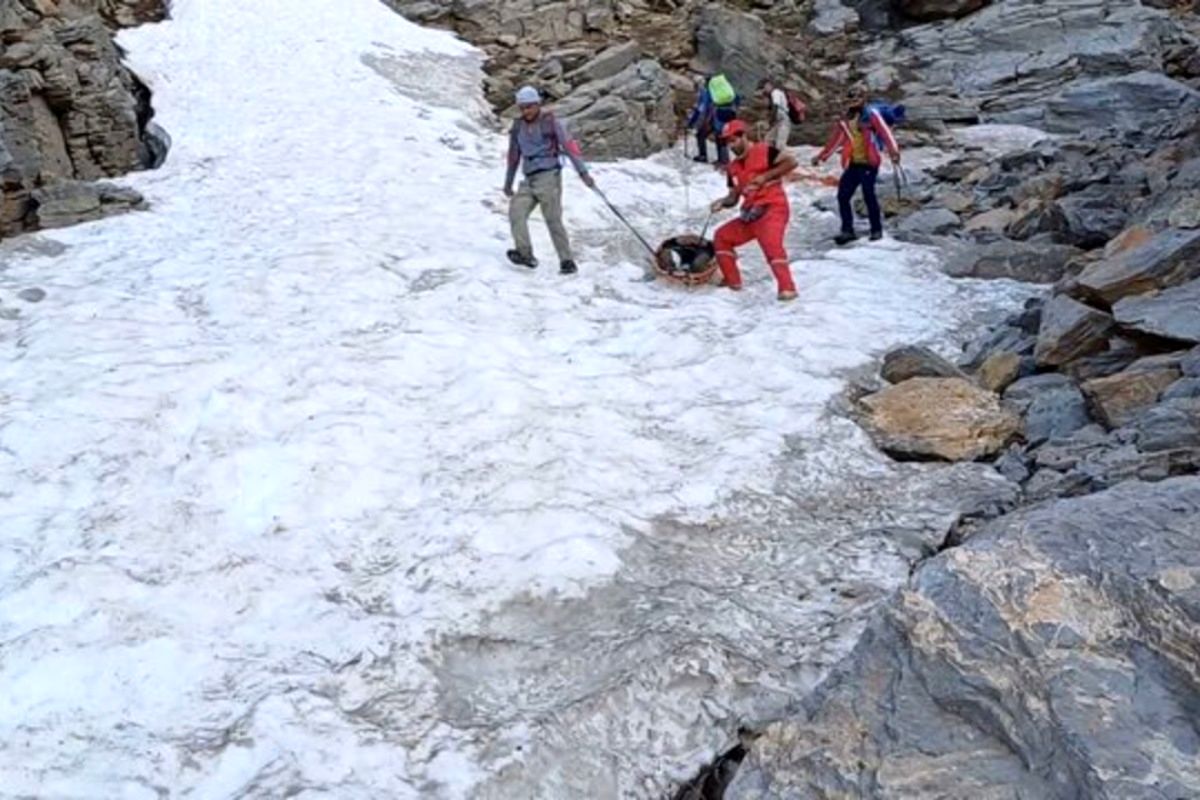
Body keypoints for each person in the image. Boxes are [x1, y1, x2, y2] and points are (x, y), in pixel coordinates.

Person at [504, 85, 594, 274]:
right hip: (528, 178)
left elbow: (569, 146)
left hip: (549, 176)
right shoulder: (518, 126)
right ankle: (525, 254)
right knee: (516, 213)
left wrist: (583, 173)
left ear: (537, 104)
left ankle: (566, 261)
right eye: (522, 108)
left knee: (552, 219)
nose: (525, 111)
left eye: (529, 107)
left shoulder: (551, 122)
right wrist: (508, 182)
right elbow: (513, 155)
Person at [708, 120, 799, 301]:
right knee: (721, 237)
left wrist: (764, 177)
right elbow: (733, 197)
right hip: (750, 214)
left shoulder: (765, 150)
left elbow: (791, 162)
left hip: (773, 207)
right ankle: (732, 281)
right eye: (727, 143)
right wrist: (722, 202)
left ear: (743, 136)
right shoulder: (732, 168)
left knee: (771, 244)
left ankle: (787, 288)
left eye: (733, 141)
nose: (731, 146)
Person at [811, 86, 900, 245]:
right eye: (850, 100)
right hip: (852, 163)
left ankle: (876, 229)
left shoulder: (871, 115)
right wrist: (821, 157)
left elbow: (885, 133)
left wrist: (894, 152)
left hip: (868, 163)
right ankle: (847, 230)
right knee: (843, 196)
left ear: (863, 100)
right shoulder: (845, 120)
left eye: (856, 100)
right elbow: (836, 140)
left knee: (868, 194)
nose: (853, 103)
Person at [686, 74, 740, 166]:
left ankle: (712, 159)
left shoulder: (706, 91)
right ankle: (722, 160)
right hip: (731, 113)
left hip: (718, 115)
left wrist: (691, 123)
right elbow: (737, 98)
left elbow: (701, 109)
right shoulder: (724, 88)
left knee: (706, 135)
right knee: (721, 136)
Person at [761, 78, 790, 151]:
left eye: (764, 87)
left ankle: (781, 158)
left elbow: (775, 106)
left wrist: (771, 121)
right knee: (768, 139)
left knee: (780, 144)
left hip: (783, 120)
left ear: (769, 85)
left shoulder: (775, 92)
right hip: (778, 121)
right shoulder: (773, 95)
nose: (764, 89)